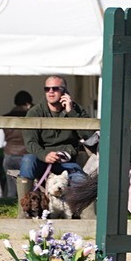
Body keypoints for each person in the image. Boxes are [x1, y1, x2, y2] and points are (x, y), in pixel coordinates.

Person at [18, 76, 88, 204]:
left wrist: (71, 113)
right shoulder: (35, 112)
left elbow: (88, 136)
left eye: (55, 88)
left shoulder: (76, 110)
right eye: (47, 89)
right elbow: (30, 142)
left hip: (66, 162)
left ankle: (86, 218)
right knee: (27, 160)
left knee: (81, 180)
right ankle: (24, 210)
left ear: (65, 91)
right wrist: (44, 155)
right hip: (41, 159)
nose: (50, 92)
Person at [0, 90, 33, 179]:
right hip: (26, 157)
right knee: (24, 187)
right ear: (27, 104)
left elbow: (0, 143)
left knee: (11, 190)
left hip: (9, 156)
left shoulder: (4, 118)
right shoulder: (31, 119)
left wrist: (9, 146)